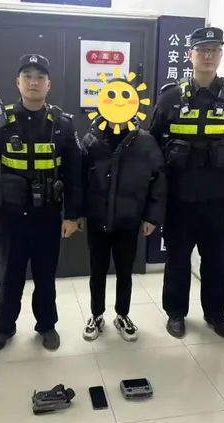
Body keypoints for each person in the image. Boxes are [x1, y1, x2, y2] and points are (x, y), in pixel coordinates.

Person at [149, 27, 224, 339]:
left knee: (216, 260)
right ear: (190, 55)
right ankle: (175, 314)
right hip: (178, 196)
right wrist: (153, 194)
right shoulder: (170, 96)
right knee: (177, 259)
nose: (208, 56)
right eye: (202, 50)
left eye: (214, 50)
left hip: (218, 196)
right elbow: (152, 146)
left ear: (221, 55)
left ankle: (216, 314)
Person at [0, 54, 82, 353]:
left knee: (45, 277)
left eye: (40, 77)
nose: (34, 82)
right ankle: (4, 328)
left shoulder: (62, 124)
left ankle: (47, 325)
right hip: (10, 217)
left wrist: (72, 215)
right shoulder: (0, 122)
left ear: (49, 85)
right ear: (18, 82)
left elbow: (74, 174)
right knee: (11, 276)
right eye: (28, 76)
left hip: (47, 216)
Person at [79, 109, 166, 342]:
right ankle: (96, 315)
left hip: (129, 219)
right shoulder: (91, 139)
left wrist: (151, 217)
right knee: (97, 271)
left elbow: (159, 178)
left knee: (125, 271)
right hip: (98, 219)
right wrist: (77, 214)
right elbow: (79, 180)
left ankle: (122, 315)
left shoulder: (145, 142)